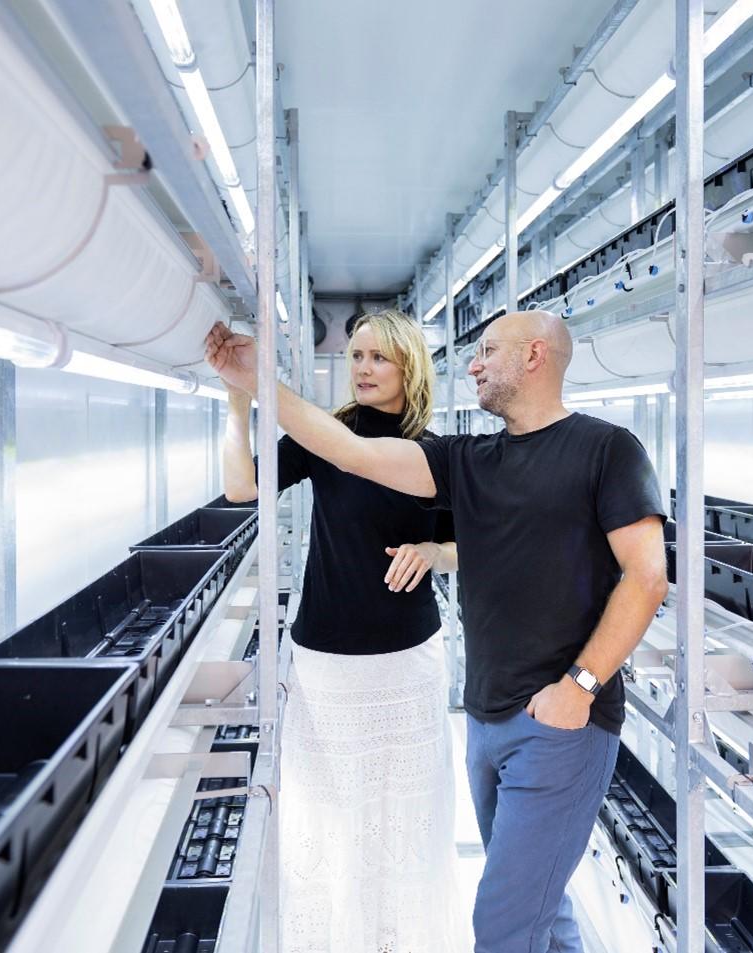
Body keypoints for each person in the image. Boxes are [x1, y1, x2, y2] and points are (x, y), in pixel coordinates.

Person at [206, 310, 669, 953]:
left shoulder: (602, 447)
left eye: (486, 350)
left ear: (534, 356)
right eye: (356, 356)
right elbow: (350, 451)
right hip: (484, 711)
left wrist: (581, 685)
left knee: (505, 918)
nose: (472, 363)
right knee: (539, 904)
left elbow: (647, 578)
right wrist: (249, 387)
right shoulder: (466, 458)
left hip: (552, 714)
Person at [219, 309, 469, 953]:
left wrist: (433, 551)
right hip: (326, 661)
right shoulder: (326, 435)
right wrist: (236, 404)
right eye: (356, 356)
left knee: (403, 816)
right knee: (329, 820)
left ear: (408, 367)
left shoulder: (434, 451)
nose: (362, 368)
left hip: (406, 659)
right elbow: (241, 488)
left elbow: (465, 544)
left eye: (379, 358)